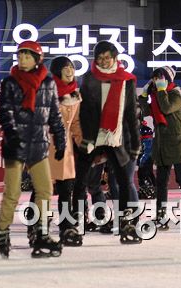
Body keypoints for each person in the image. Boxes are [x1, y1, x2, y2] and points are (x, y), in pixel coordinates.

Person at [0, 40, 66, 258]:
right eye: (20, 56)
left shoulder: (48, 82)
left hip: (39, 145)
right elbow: (4, 112)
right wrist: (12, 134)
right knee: (13, 192)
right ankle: (2, 231)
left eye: (27, 56)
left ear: (37, 59)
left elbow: (54, 112)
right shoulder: (9, 82)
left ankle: (41, 231)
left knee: (45, 190)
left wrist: (60, 138)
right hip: (16, 146)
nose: (22, 60)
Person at [72, 40, 141, 244]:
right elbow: (84, 111)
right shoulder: (89, 78)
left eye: (106, 57)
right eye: (99, 58)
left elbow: (130, 113)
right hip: (93, 139)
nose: (103, 61)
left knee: (123, 182)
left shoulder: (127, 80)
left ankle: (128, 224)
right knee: (81, 182)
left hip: (118, 138)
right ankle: (74, 223)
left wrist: (135, 142)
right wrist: (84, 139)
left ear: (115, 58)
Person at [138, 66, 181, 231]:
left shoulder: (175, 94)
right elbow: (145, 111)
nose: (157, 81)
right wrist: (143, 96)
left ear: (168, 79)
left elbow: (167, 108)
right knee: (161, 183)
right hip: (162, 145)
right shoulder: (156, 97)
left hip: (178, 144)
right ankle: (161, 216)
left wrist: (161, 91)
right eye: (155, 78)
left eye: (160, 78)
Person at [47, 56, 83, 246]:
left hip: (66, 148)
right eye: (65, 68)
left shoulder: (76, 95)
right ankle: (39, 225)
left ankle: (66, 225)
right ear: (57, 71)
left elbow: (76, 123)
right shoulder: (46, 91)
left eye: (72, 67)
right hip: (46, 145)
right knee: (42, 190)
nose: (70, 70)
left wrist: (83, 142)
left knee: (66, 190)